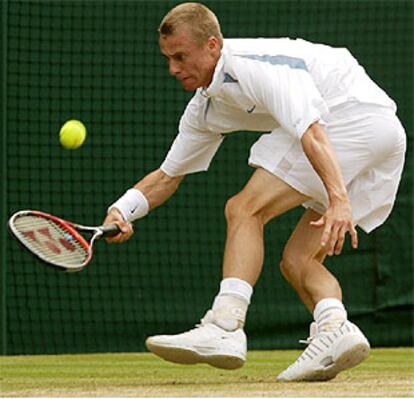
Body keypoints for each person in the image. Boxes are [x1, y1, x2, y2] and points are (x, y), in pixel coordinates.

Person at [103, 2, 406, 381]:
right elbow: (167, 176)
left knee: (244, 209)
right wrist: (122, 210)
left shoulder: (257, 66)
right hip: (382, 137)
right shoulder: (204, 109)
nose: (173, 68)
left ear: (212, 45)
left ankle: (226, 324)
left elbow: (312, 132)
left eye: (181, 56)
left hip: (351, 116)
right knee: (298, 261)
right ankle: (334, 327)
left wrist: (339, 200)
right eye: (168, 58)